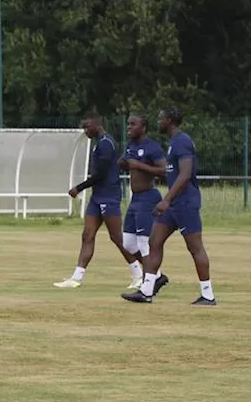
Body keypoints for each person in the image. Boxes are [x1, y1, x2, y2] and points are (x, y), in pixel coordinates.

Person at [123, 108, 216, 306]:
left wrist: (167, 199)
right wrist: (168, 201)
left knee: (195, 247)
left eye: (160, 119)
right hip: (173, 204)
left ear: (170, 120)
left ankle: (208, 295)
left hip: (185, 203)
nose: (158, 122)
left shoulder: (182, 141)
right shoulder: (173, 142)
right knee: (154, 241)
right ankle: (146, 291)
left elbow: (185, 174)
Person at [53, 112, 135, 288]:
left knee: (117, 237)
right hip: (97, 197)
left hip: (109, 196)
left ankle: (139, 274)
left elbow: (101, 175)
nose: (84, 130)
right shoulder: (98, 143)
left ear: (97, 125)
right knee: (87, 235)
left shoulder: (106, 144)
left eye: (87, 126)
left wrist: (78, 188)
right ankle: (77, 278)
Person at [118, 114, 167, 291]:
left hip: (148, 198)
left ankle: (148, 285)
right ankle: (158, 275)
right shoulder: (131, 145)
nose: (129, 127)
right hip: (135, 198)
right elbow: (127, 163)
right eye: (128, 123)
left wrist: (139, 166)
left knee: (144, 243)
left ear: (143, 127)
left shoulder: (151, 147)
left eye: (133, 124)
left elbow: (163, 170)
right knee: (128, 243)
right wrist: (122, 163)